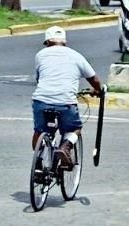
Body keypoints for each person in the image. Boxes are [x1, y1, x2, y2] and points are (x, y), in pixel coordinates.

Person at [32, 26, 103, 168]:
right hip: (65, 103)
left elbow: (39, 79)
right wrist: (97, 90)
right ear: (64, 42)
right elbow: (93, 79)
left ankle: (38, 162)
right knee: (75, 129)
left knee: (40, 131)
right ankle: (65, 146)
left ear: (47, 42)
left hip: (41, 100)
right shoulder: (76, 56)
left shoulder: (40, 55)